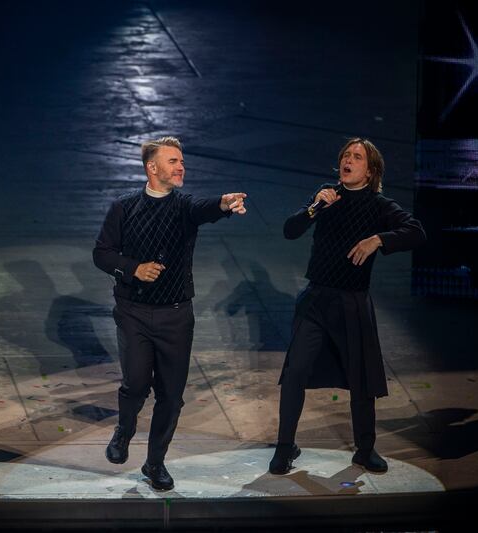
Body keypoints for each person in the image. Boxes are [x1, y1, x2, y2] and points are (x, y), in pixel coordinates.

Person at [93, 136, 247, 491]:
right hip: (133, 312)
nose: (181, 167)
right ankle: (124, 430)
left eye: (182, 161)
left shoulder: (183, 207)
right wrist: (132, 268)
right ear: (152, 168)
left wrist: (223, 204)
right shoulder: (124, 207)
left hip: (176, 316)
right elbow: (102, 253)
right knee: (134, 384)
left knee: (171, 396)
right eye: (173, 161)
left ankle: (154, 462)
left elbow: (204, 209)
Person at [269, 138, 426, 475]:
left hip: (351, 302)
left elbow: (416, 232)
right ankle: (285, 448)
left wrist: (378, 239)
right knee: (295, 372)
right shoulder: (326, 196)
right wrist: (313, 208)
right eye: (345, 155)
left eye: (357, 157)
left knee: (361, 379)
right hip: (316, 299)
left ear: (369, 172)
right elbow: (289, 230)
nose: (348, 160)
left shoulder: (378, 205)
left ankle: (364, 449)